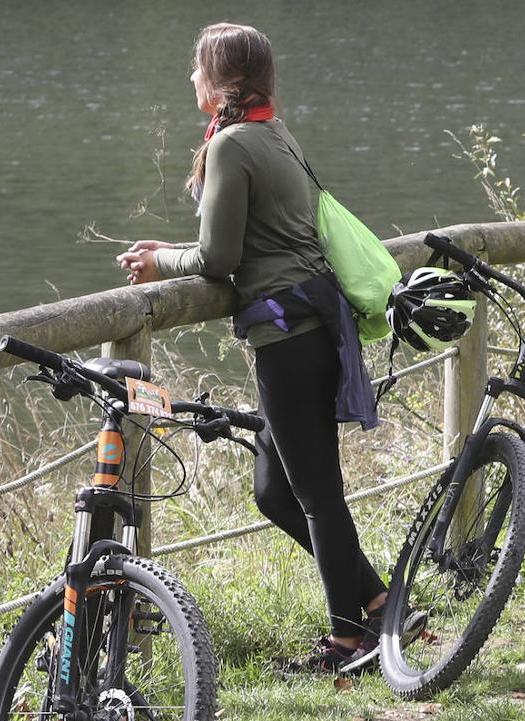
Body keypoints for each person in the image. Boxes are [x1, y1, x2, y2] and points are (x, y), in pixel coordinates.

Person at [116, 22, 419, 673]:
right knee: (274, 493)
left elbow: (219, 257)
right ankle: (378, 602)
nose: (189, 80)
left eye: (196, 69)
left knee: (315, 495)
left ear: (221, 80)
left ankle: (349, 643)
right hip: (305, 330)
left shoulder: (232, 145)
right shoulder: (272, 133)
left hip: (290, 339)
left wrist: (156, 258)